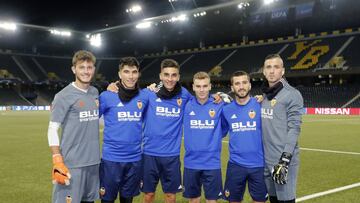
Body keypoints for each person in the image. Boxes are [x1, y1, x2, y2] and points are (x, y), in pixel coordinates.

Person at [47, 50, 100, 203]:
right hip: (72, 164)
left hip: (93, 162)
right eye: (81, 67)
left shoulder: (94, 92)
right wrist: (57, 160)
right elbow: (52, 129)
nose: (86, 71)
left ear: (93, 69)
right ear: (74, 69)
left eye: (89, 67)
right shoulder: (63, 96)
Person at [141, 59, 193, 203]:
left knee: (170, 196)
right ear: (160, 76)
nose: (170, 79)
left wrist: (218, 97)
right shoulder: (149, 93)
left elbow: (201, 103)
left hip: (171, 156)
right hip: (149, 154)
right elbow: (129, 96)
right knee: (148, 195)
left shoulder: (184, 95)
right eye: (167, 75)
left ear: (178, 77)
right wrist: (115, 86)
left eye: (173, 75)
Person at [98, 57, 148, 203]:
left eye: (134, 72)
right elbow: (90, 118)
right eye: (126, 72)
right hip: (111, 160)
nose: (131, 76)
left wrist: (218, 96)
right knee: (107, 200)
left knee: (127, 199)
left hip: (134, 159)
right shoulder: (107, 96)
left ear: (138, 74)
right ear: (120, 74)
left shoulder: (145, 96)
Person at [261, 54, 303, 203]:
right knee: (273, 199)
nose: (272, 71)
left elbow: (295, 128)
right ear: (264, 71)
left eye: (276, 67)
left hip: (282, 162)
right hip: (266, 161)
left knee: (285, 201)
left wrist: (285, 160)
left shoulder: (292, 94)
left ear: (283, 71)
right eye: (268, 67)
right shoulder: (265, 96)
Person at [222, 71, 268, 203]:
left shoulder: (262, 105)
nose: (241, 86)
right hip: (236, 165)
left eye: (244, 82)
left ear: (249, 85)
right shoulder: (226, 110)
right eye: (237, 83)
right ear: (232, 88)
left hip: (259, 165)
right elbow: (220, 132)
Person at [182, 72, 226, 203]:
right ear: (193, 87)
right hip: (191, 163)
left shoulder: (220, 104)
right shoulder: (186, 104)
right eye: (198, 86)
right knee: (194, 200)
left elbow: (226, 125)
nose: (201, 90)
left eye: (205, 86)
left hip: (212, 163)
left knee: (211, 200)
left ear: (210, 86)